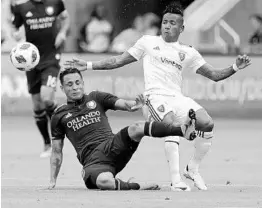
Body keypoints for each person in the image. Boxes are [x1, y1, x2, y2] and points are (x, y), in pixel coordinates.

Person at [64, 2, 251, 191]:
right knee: (171, 125)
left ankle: (192, 168)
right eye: (165, 22)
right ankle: (176, 181)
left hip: (177, 97)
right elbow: (117, 61)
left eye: (172, 23)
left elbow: (214, 75)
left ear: (182, 28)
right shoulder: (147, 42)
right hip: (154, 97)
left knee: (207, 123)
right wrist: (88, 65)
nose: (167, 26)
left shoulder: (188, 52)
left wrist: (235, 67)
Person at [48, 67, 197, 190]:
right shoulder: (59, 115)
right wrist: (52, 181)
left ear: (83, 83)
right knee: (103, 182)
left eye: (77, 82)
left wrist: (134, 105)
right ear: (61, 88)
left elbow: (124, 104)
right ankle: (137, 186)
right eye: (69, 84)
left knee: (136, 127)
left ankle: (182, 130)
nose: (75, 87)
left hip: (113, 146)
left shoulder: (96, 97)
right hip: (92, 162)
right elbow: (56, 151)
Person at [10, 0, 70, 157]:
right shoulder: (21, 7)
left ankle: (60, 131)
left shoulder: (56, 3)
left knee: (46, 97)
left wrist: (63, 33)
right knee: (37, 105)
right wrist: (16, 35)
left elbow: (65, 18)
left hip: (51, 58)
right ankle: (47, 144)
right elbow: (15, 28)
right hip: (31, 60)